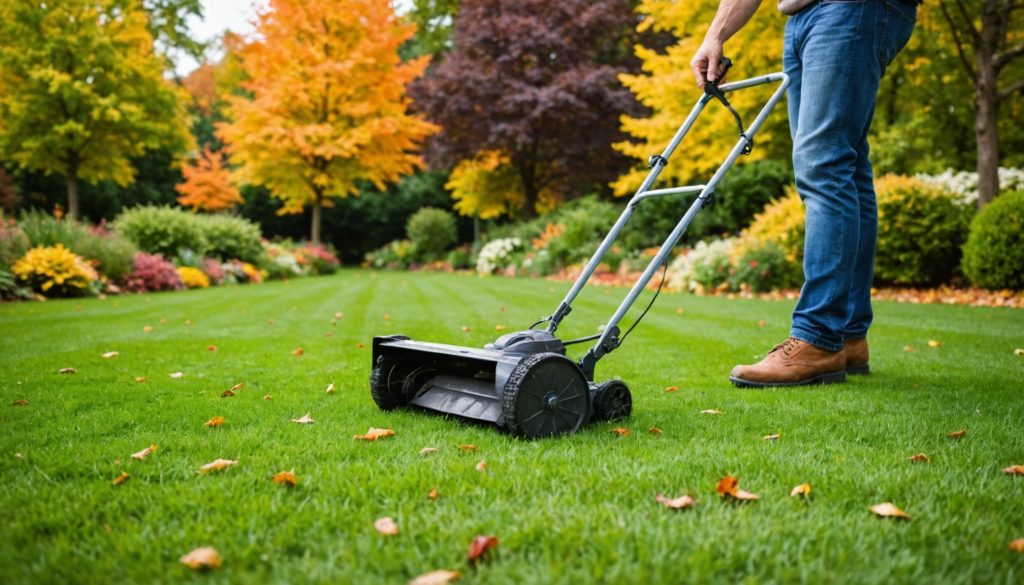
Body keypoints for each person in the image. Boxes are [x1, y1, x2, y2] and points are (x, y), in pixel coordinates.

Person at [690, 0, 918, 387]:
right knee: (847, 167)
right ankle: (847, 336)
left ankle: (818, 338)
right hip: (802, 16)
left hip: (851, 8)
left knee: (824, 165)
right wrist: (715, 35)